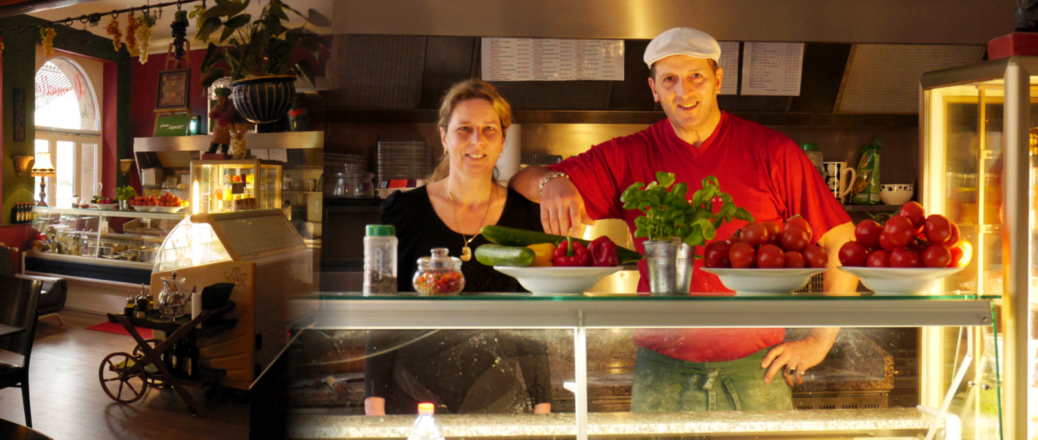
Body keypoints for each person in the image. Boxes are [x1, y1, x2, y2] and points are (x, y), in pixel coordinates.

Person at [510, 27, 856, 412]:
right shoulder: (627, 155)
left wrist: (819, 341)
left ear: (718, 80)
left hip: (758, 368)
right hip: (662, 370)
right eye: (669, 80)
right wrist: (554, 181)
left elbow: (842, 239)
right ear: (654, 89)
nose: (683, 91)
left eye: (696, 77)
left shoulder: (773, 152)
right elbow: (520, 181)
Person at [363, 79, 554, 416]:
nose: (477, 140)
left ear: (503, 140)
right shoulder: (405, 211)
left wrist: (542, 404)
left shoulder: (525, 216)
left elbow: (531, 320)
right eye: (464, 128)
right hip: (412, 398)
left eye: (489, 129)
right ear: (444, 137)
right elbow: (382, 310)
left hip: (496, 403)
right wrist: (373, 403)